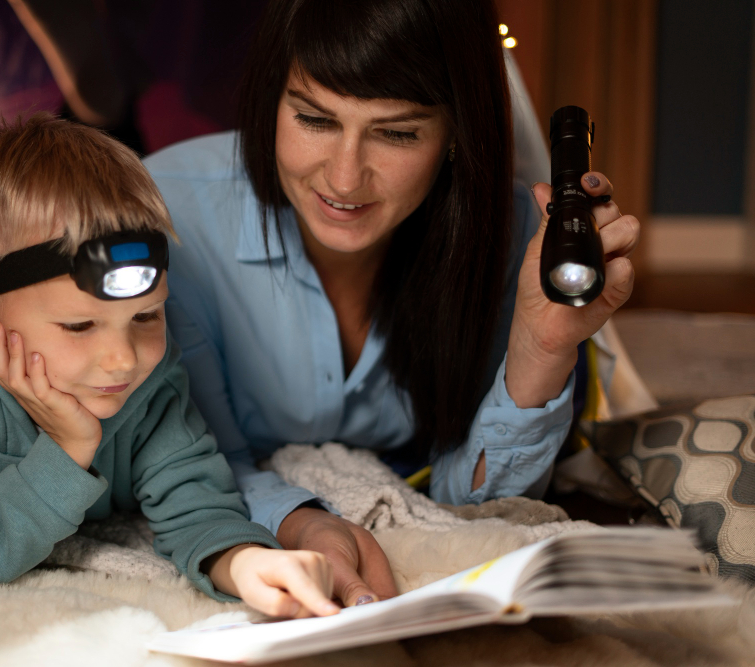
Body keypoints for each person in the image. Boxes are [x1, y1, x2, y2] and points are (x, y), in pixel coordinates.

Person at [145, 0, 639, 609]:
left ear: (457, 132)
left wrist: (544, 346)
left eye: (397, 133)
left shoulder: (514, 240)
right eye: (315, 120)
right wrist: (302, 523)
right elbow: (183, 463)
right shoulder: (170, 218)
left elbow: (480, 509)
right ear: (271, 100)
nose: (346, 179)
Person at [0, 114, 339, 618]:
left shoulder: (150, 373)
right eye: (80, 326)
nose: (124, 357)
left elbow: (193, 492)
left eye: (146, 315)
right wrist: (67, 450)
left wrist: (242, 562)